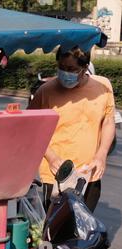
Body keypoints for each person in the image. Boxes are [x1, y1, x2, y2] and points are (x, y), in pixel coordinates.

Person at [28, 46, 116, 212]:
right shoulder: (45, 91)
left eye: (71, 69)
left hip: (90, 172)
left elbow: (108, 121)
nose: (64, 73)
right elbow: (30, 128)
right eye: (61, 67)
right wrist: (52, 157)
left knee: (84, 227)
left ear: (84, 68)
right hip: (56, 174)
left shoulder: (103, 86)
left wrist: (102, 154)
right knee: (57, 231)